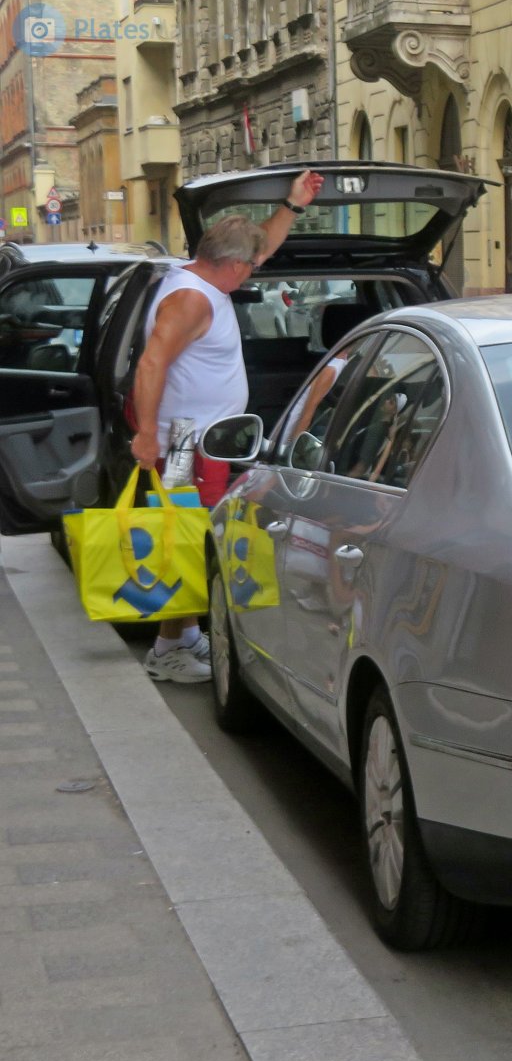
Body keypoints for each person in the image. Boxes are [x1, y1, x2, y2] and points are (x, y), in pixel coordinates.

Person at [130, 168, 324, 683]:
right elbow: (151, 363)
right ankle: (166, 651)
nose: (255, 272)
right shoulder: (190, 300)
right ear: (234, 264)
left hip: (200, 442)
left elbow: (263, 244)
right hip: (184, 445)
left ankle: (183, 637)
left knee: (191, 538)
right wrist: (147, 434)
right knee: (189, 542)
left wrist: (293, 206)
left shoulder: (202, 278)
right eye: (252, 266)